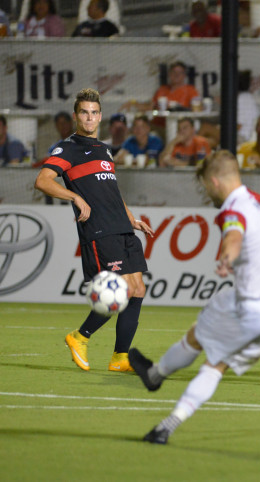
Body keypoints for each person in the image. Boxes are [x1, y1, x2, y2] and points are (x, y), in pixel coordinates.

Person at [128, 150, 260, 444]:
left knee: (208, 355)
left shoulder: (232, 210)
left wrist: (227, 258)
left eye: (206, 185)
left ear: (215, 181)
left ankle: (158, 390)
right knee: (214, 351)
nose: (207, 192)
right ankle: (156, 381)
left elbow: (233, 236)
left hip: (253, 307)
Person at [33, 88, 154, 372]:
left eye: (94, 112)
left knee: (138, 290)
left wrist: (132, 218)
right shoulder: (69, 148)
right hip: (99, 230)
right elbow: (43, 180)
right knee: (122, 290)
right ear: (77, 116)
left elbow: (111, 190)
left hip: (122, 227)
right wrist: (74, 196)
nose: (89, 118)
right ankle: (79, 337)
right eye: (84, 112)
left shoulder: (104, 150)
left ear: (100, 116)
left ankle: (120, 358)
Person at [236, 70, 260, 144]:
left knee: (206, 128)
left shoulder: (243, 99)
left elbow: (239, 125)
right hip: (244, 136)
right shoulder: (247, 97)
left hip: (242, 138)